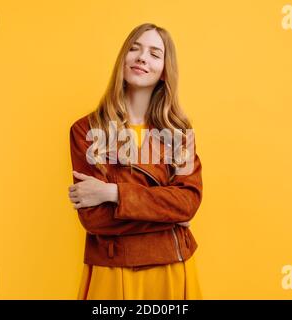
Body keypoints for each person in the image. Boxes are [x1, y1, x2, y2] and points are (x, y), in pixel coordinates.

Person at [68, 23, 203, 299]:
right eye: (135, 48)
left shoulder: (178, 132)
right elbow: (95, 220)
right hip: (112, 270)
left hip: (173, 268)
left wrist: (113, 193)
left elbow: (188, 203)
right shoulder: (86, 130)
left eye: (155, 53)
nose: (142, 57)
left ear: (165, 70)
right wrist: (171, 216)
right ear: (123, 59)